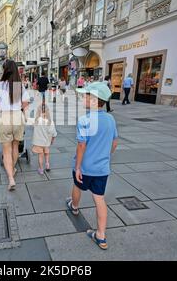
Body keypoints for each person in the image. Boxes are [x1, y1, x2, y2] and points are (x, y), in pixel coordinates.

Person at [66, 82, 119, 251]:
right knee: (99, 199)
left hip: (86, 167)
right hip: (102, 169)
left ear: (95, 100)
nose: (84, 97)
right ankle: (101, 236)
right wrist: (105, 156)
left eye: (87, 95)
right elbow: (115, 142)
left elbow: (81, 145)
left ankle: (74, 207)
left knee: (77, 185)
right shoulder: (110, 119)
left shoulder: (84, 120)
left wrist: (79, 167)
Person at [0, 60, 30, 192]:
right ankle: (13, 169)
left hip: (5, 117)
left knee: (6, 150)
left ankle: (11, 179)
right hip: (18, 117)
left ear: (5, 70)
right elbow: (26, 104)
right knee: (15, 146)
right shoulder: (20, 86)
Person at [32, 103, 57, 176]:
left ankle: (41, 169)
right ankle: (47, 165)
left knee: (40, 155)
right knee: (46, 153)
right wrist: (52, 140)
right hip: (46, 142)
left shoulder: (36, 120)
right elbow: (53, 133)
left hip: (38, 142)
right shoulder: (50, 122)